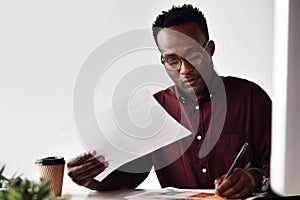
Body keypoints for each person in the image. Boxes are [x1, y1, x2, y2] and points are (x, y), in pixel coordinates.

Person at [67, 4, 271, 199]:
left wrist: (254, 178)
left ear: (209, 50)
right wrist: (89, 176)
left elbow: (284, 167)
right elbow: (124, 179)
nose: (185, 70)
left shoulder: (252, 99)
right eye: (173, 60)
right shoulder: (154, 110)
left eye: (193, 55)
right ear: (163, 61)